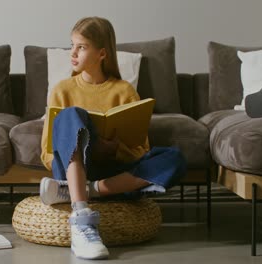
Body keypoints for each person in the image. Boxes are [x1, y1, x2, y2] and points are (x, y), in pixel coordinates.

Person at [39, 16, 186, 260]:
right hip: (72, 168)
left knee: (175, 158)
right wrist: (87, 146)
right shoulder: (62, 90)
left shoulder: (124, 90)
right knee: (71, 115)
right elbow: (46, 153)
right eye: (72, 45)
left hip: (113, 172)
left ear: (102, 54)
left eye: (82, 47)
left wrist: (114, 150)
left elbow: (141, 150)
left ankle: (88, 190)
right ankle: (82, 216)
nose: (73, 53)